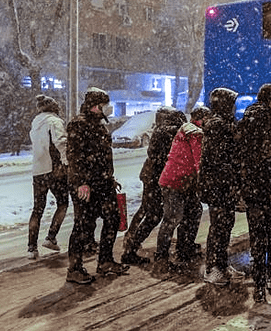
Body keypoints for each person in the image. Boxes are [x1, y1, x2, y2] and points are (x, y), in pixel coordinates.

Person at [65, 87, 129, 284]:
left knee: (112, 218)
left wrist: (109, 178)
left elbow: (102, 157)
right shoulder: (79, 124)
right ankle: (74, 268)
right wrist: (81, 183)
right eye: (104, 105)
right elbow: (75, 156)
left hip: (102, 182)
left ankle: (106, 261)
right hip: (87, 185)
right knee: (84, 226)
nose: (107, 109)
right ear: (95, 106)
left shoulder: (99, 124)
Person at [239, 84, 271, 303]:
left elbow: (238, 154)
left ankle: (258, 283)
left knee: (257, 237)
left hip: (253, 189)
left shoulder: (245, 121)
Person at [121, 106, 186, 265]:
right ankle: (132, 247)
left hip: (152, 176)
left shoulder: (160, 130)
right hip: (157, 178)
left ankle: (131, 243)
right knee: (154, 214)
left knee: (150, 211)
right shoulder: (168, 132)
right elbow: (166, 157)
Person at [154, 106, 211, 274]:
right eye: (207, 118)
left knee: (193, 211)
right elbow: (199, 160)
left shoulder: (189, 131)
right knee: (173, 218)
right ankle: (161, 258)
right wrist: (204, 178)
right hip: (175, 182)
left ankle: (185, 248)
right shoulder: (194, 134)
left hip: (183, 182)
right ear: (200, 119)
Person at [199, 88, 242, 286]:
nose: (234, 107)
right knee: (219, 227)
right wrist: (231, 180)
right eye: (232, 103)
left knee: (226, 226)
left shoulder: (226, 124)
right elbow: (220, 160)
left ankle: (222, 264)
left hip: (224, 186)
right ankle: (212, 268)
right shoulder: (217, 126)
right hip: (217, 186)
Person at [27, 94, 69, 259]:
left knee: (37, 209)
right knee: (63, 203)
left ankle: (31, 247)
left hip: (38, 170)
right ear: (54, 108)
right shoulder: (54, 121)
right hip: (54, 169)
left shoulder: (35, 122)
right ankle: (51, 237)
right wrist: (66, 162)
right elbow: (61, 142)